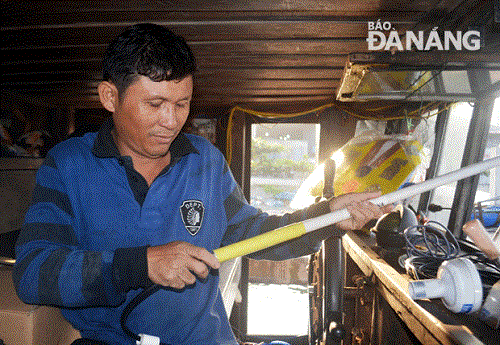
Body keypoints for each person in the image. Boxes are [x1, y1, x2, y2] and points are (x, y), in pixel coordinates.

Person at [13, 23, 391, 345]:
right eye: (155, 103)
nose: (171, 121)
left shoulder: (205, 160)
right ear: (110, 96)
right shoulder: (68, 164)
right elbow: (33, 273)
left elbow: (254, 231)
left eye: (182, 104)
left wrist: (327, 217)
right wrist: (140, 265)